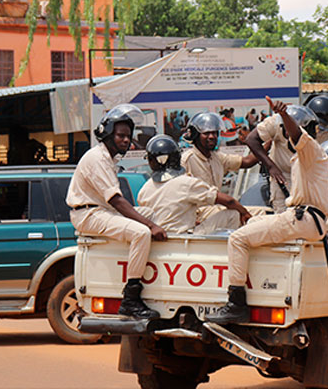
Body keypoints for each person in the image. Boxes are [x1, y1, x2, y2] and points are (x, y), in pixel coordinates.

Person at [206, 97, 328, 324]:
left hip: (302, 217)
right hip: (313, 221)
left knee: (238, 239)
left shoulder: (309, 148)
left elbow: (296, 133)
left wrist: (283, 114)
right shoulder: (313, 157)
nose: (290, 136)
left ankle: (236, 302)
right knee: (253, 226)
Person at [66, 104, 166, 320]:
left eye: (128, 137)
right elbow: (117, 201)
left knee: (150, 212)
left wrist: (150, 219)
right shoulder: (98, 158)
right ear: (108, 134)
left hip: (99, 210)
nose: (125, 140)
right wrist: (151, 226)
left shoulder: (108, 158)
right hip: (88, 215)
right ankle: (131, 299)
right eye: (120, 135)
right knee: (141, 232)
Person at [138, 135, 251, 234]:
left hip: (162, 237)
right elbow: (229, 201)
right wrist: (244, 212)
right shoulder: (186, 182)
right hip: (186, 238)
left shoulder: (144, 189)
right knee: (233, 214)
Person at [181, 112, 267, 222]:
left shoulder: (217, 158)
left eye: (214, 133)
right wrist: (242, 210)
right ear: (195, 136)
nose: (212, 137)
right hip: (197, 215)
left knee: (261, 212)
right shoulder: (186, 160)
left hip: (215, 210)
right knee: (240, 214)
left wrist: (269, 143)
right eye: (206, 133)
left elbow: (247, 161)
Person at [245, 104, 318, 213]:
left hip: (307, 177)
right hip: (282, 178)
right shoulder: (274, 123)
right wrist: (270, 166)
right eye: (286, 130)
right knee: (283, 219)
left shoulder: (312, 132)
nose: (289, 133)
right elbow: (251, 140)